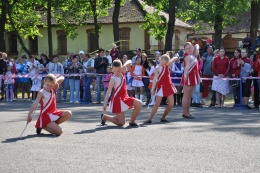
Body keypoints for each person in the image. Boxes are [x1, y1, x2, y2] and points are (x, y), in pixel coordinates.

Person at [101, 60, 142, 126]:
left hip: (125, 97)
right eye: (114, 71)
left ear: (121, 68)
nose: (116, 72)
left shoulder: (123, 71)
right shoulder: (113, 79)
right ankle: (105, 116)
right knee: (121, 123)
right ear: (112, 69)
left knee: (139, 103)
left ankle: (132, 122)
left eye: (118, 70)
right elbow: (108, 91)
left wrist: (124, 65)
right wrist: (105, 103)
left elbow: (129, 61)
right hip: (117, 100)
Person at [144, 54, 177, 123]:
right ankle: (149, 119)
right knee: (157, 104)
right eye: (161, 62)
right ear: (160, 60)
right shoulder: (157, 67)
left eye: (164, 63)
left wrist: (174, 58)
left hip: (169, 85)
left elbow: (175, 58)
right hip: (161, 86)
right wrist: (153, 89)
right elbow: (155, 78)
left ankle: (163, 117)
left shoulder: (167, 65)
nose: (162, 64)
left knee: (171, 104)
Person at [181, 43, 201, 118]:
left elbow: (197, 46)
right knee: (186, 96)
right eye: (187, 48)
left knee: (189, 96)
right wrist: (185, 74)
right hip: (189, 77)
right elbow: (187, 66)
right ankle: (185, 112)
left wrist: (194, 48)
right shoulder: (188, 57)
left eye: (190, 48)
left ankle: (188, 112)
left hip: (193, 77)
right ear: (184, 50)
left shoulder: (193, 56)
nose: (189, 49)